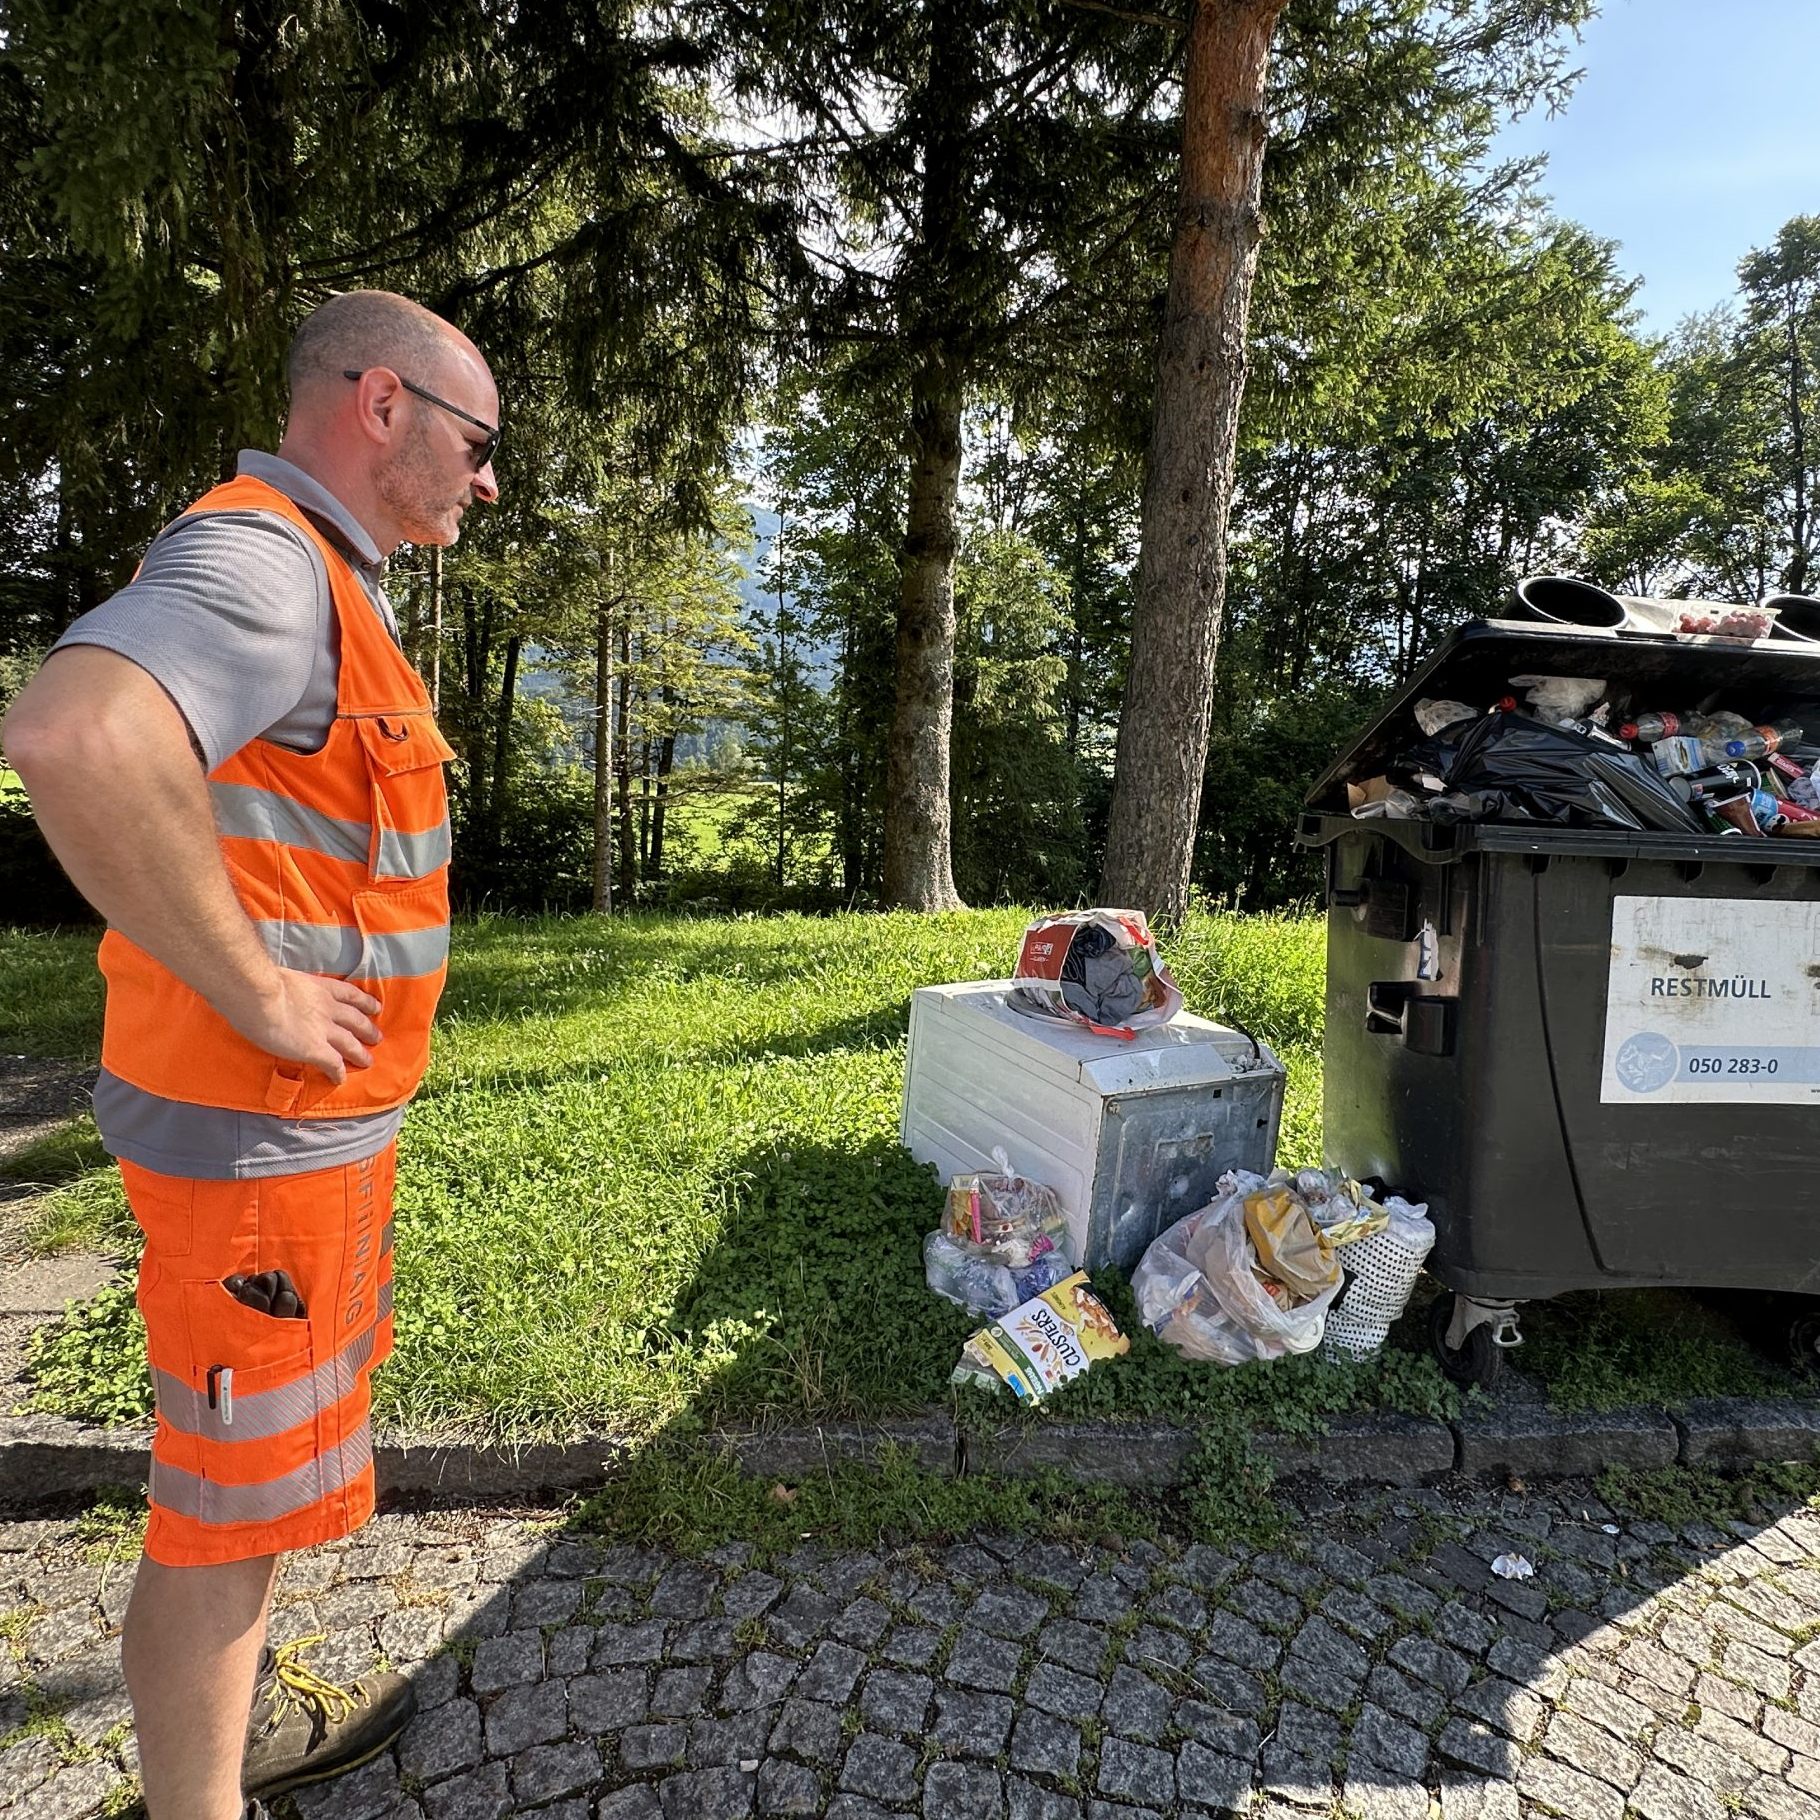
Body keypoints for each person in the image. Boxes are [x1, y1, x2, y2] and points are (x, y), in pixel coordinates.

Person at [2, 290, 499, 1820]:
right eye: (477, 444)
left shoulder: (319, 575)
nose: (488, 481)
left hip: (289, 1152)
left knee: (251, 1504)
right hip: (254, 1147)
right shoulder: (268, 563)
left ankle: (238, 1739)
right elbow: (74, 736)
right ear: (379, 405)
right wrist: (266, 996)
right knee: (223, 1520)